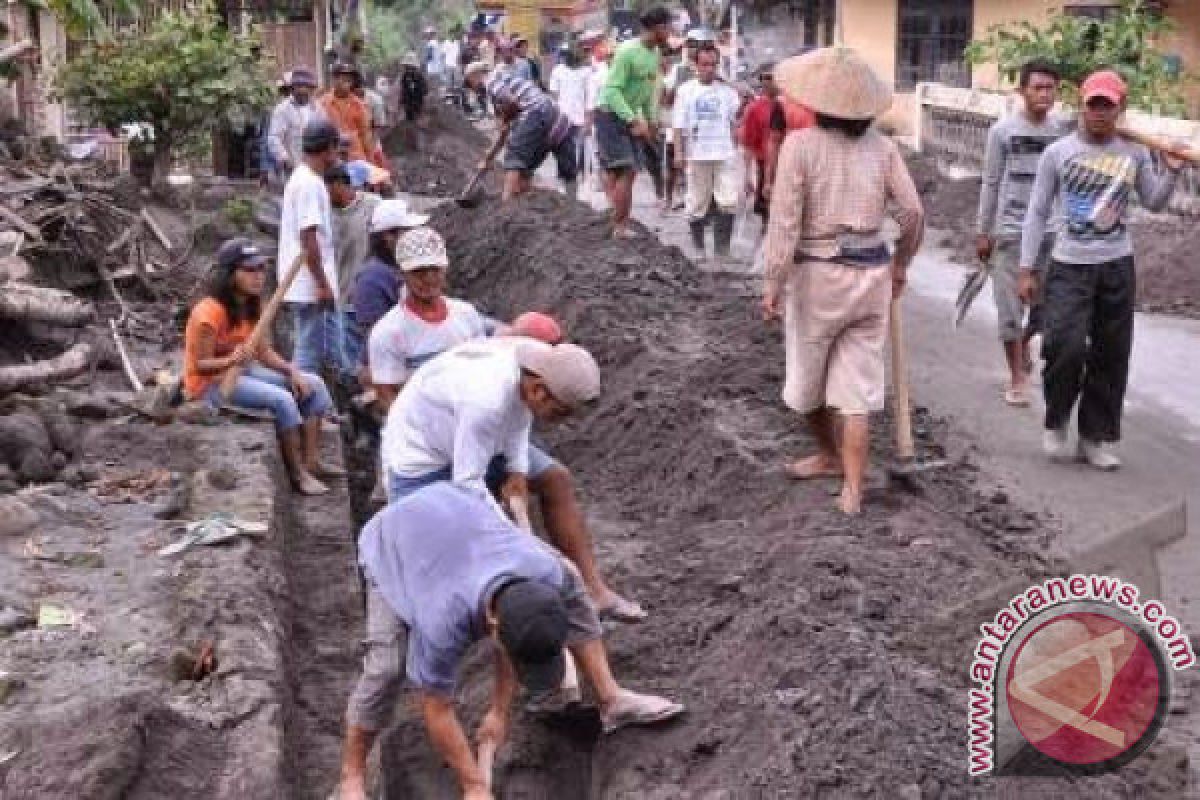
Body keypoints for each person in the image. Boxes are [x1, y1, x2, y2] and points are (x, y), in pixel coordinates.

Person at [335, 482, 684, 800]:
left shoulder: (548, 572)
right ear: (492, 622)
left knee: (572, 582)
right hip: (394, 540)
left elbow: (519, 636)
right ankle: (352, 776)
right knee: (387, 666)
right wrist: (473, 786)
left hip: (458, 513)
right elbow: (435, 707)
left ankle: (612, 699)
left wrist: (499, 713)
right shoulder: (442, 619)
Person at [761, 48, 925, 515]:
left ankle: (831, 456)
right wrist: (901, 265)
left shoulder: (801, 146)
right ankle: (852, 488)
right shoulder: (883, 146)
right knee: (857, 388)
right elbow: (912, 212)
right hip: (872, 275)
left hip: (818, 276)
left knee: (807, 382)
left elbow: (785, 223)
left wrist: (773, 283)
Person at [379, 336, 647, 620]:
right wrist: (516, 536)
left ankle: (595, 592)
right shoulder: (485, 401)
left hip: (476, 439)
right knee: (442, 553)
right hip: (421, 456)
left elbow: (519, 416)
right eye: (559, 412)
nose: (561, 422)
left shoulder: (537, 364)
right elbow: (467, 484)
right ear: (538, 390)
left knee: (555, 479)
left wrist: (517, 470)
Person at [1020, 69, 1183, 470]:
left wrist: (1173, 170)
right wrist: (1027, 267)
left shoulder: (1135, 152)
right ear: (1082, 105)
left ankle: (1093, 438)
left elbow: (1156, 202)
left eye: (1106, 106)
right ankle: (1057, 419)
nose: (1098, 112)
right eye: (1092, 104)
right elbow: (1038, 212)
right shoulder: (1058, 153)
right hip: (1068, 264)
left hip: (1116, 265)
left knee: (1111, 355)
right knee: (1065, 348)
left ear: (1119, 109)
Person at [183, 238, 340, 496]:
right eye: (250, 270)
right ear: (230, 274)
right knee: (282, 400)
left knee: (314, 384)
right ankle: (297, 474)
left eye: (261, 269)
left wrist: (291, 370)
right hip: (210, 386)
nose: (259, 276)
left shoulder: (253, 304)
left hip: (241, 372)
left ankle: (312, 461)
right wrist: (232, 360)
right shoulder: (207, 314)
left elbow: (263, 352)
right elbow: (200, 365)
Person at [975, 60, 1070, 408]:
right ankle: (1017, 377)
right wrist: (983, 231)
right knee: (1009, 310)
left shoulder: (1062, 131)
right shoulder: (1003, 132)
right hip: (1011, 232)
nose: (1044, 94)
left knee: (1046, 310)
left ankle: (1026, 342)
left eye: (1050, 88)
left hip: (1052, 233)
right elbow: (991, 182)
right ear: (1022, 91)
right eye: (1038, 87)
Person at [367, 227, 488, 411]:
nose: (429, 279)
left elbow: (484, 371)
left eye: (435, 269)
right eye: (419, 272)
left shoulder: (466, 315)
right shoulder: (388, 332)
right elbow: (387, 394)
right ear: (401, 274)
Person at [594, 5, 673, 238]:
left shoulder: (655, 53)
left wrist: (651, 120)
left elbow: (649, 90)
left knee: (628, 171)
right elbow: (610, 92)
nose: (670, 32)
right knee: (626, 169)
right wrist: (632, 120)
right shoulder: (627, 51)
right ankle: (619, 227)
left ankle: (616, 218)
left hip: (630, 114)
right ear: (656, 28)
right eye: (667, 27)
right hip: (610, 114)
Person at [280, 118, 349, 382]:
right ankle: (304, 403)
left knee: (331, 348)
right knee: (309, 352)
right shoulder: (310, 184)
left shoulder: (301, 178)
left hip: (307, 281)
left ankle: (332, 405)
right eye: (337, 149)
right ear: (329, 148)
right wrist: (321, 283)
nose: (339, 155)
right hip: (311, 284)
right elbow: (309, 237)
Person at [465, 61, 580, 201]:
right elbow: (503, 134)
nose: (475, 90)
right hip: (558, 120)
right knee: (533, 167)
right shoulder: (504, 84)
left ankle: (506, 208)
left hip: (537, 113)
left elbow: (512, 102)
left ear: (474, 76)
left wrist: (506, 118)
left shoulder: (491, 82)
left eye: (471, 85)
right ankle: (571, 204)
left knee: (514, 156)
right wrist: (488, 158)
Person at [674, 44, 741, 259]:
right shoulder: (686, 90)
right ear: (695, 65)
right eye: (704, 64)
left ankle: (723, 250)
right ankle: (698, 248)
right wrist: (678, 153)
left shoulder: (727, 91)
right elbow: (678, 125)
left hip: (723, 152)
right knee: (696, 201)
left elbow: (735, 119)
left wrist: (735, 148)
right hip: (697, 153)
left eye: (713, 65)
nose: (709, 69)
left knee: (728, 200)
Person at [352, 198, 431, 353]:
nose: (416, 236)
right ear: (388, 236)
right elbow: (377, 341)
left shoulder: (408, 268)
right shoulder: (371, 281)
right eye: (409, 230)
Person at [739, 62, 814, 223]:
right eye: (764, 78)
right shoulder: (754, 108)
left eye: (771, 77)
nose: (767, 81)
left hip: (792, 165)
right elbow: (749, 144)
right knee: (768, 215)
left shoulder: (793, 104)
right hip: (766, 164)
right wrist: (747, 177)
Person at [325, 164, 382, 372]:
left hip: (370, 295)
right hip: (341, 297)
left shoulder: (373, 207)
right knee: (349, 360)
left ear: (339, 185)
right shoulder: (324, 214)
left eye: (327, 188)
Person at [660, 28, 711, 213]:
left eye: (695, 44)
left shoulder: (710, 68)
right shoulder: (678, 70)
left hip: (700, 126)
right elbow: (666, 98)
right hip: (678, 125)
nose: (691, 48)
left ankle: (695, 202)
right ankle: (668, 198)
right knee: (673, 165)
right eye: (689, 44)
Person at [320, 62, 379, 166]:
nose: (347, 80)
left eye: (349, 78)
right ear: (334, 79)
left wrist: (371, 161)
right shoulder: (323, 103)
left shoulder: (359, 105)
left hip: (356, 158)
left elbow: (365, 135)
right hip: (332, 159)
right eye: (342, 77)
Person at [268, 67, 319, 176]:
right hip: (293, 167)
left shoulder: (318, 108)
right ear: (292, 88)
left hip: (315, 167)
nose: (303, 90)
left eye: (307, 87)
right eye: (299, 86)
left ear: (312, 89)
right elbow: (274, 138)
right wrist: (284, 158)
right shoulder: (282, 109)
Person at [548, 44, 591, 174]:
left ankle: (578, 175)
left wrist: (588, 119)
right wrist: (555, 117)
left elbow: (589, 95)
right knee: (563, 148)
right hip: (563, 119)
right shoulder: (557, 71)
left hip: (580, 118)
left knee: (580, 150)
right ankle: (564, 174)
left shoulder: (586, 71)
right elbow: (554, 95)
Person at [583, 36, 612, 190]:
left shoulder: (598, 74)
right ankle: (601, 180)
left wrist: (588, 122)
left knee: (598, 150)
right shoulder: (598, 72)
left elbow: (592, 102)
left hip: (601, 117)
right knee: (601, 150)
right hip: (608, 117)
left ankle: (601, 181)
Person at [399, 52, 428, 122]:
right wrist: (402, 100)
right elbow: (403, 89)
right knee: (409, 119)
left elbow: (425, 90)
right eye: (407, 67)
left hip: (417, 102)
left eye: (410, 67)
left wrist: (416, 88)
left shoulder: (419, 76)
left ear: (414, 67)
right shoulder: (404, 76)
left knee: (416, 119)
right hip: (408, 103)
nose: (408, 69)